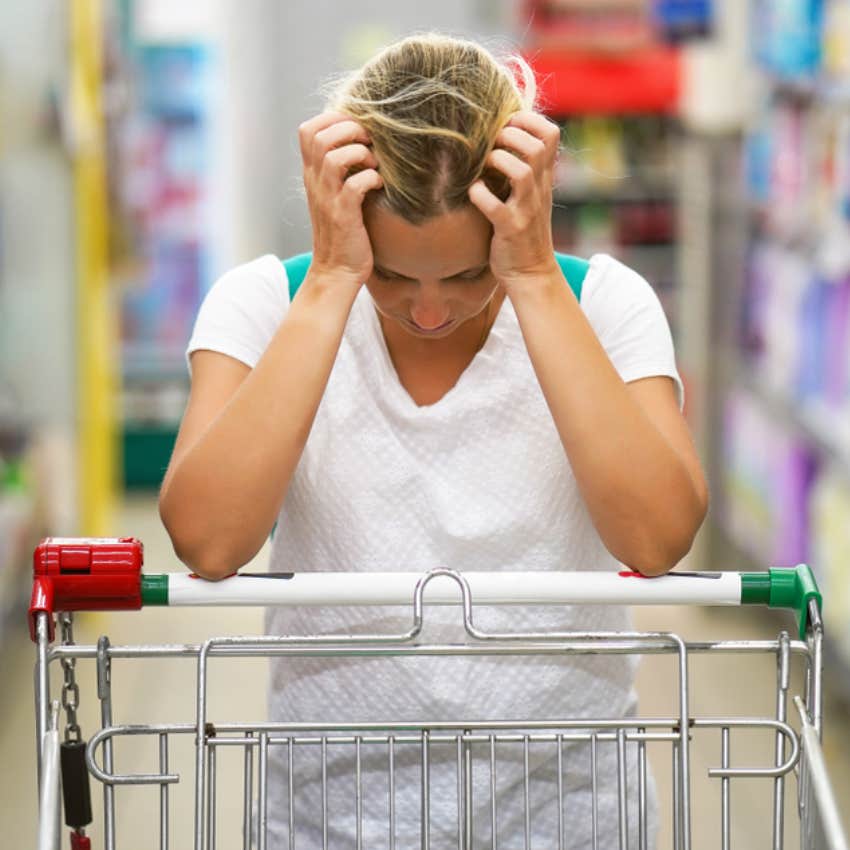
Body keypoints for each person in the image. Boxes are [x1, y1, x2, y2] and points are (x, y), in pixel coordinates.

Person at [159, 31, 707, 849]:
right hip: (333, 810)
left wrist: (531, 277)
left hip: (564, 807)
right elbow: (207, 540)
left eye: (464, 275)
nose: (425, 311)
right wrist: (335, 281)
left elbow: (659, 538)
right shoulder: (265, 307)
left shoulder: (603, 307)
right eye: (390, 273)